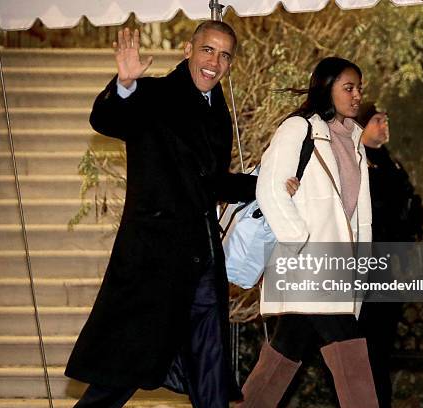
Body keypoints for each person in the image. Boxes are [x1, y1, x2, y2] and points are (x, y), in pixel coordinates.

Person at [65, 22, 258, 408]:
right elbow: (107, 120)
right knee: (123, 371)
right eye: (207, 50)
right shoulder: (153, 94)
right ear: (188, 49)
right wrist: (124, 84)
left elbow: (212, 182)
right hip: (155, 261)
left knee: (210, 365)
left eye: (224, 56)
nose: (214, 62)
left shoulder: (217, 111)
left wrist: (265, 186)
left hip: (202, 261)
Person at [237, 57, 380, 408]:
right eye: (348, 87)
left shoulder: (354, 140)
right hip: (308, 260)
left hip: (337, 263)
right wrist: (300, 240)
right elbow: (270, 189)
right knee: (347, 344)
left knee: (289, 344)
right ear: (325, 87)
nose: (357, 94)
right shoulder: (298, 129)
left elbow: (353, 213)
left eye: (359, 87)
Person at [356, 102, 423, 408]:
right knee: (358, 349)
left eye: (386, 120)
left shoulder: (392, 165)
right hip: (362, 269)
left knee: (381, 349)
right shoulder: (355, 163)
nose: (384, 125)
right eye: (377, 120)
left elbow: (408, 208)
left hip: (390, 270)